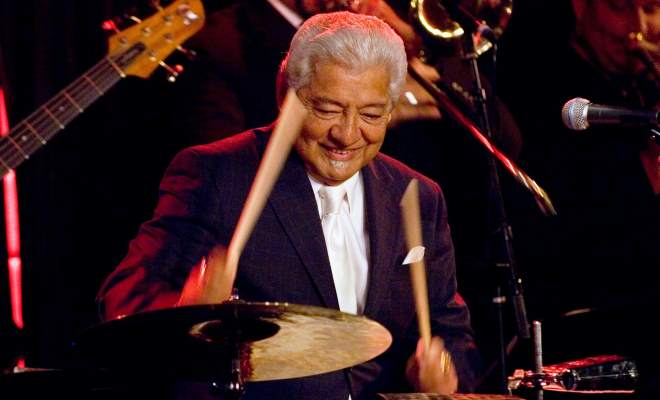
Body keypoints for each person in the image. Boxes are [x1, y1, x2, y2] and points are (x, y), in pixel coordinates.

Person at [97, 11, 481, 399]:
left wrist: (444, 375)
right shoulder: (217, 174)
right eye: (328, 109)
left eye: (370, 114)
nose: (347, 134)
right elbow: (122, 301)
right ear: (286, 95)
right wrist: (188, 308)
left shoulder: (416, 195)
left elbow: (450, 332)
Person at [498, 0, 659, 395]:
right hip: (591, 315)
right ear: (580, 7)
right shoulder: (549, 85)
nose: (638, 27)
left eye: (652, 8)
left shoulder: (641, 82)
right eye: (619, 7)